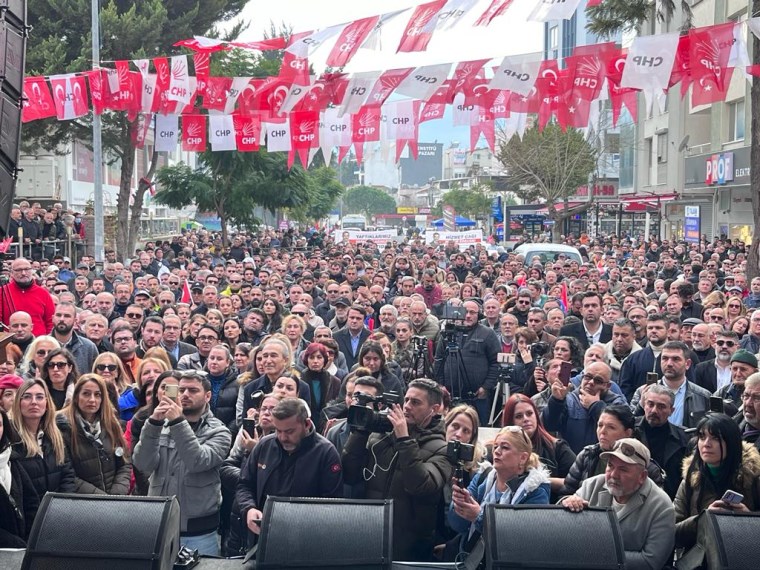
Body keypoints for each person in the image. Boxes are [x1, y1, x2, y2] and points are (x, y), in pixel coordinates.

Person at [343, 378, 454, 561]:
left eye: (416, 402)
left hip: (408, 545)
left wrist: (404, 440)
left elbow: (420, 486)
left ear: (433, 409)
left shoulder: (442, 449)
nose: (407, 406)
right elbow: (349, 474)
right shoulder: (381, 435)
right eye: (407, 400)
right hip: (369, 532)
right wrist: (361, 432)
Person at [133, 371, 232, 555]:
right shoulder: (160, 424)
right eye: (181, 390)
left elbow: (198, 461)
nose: (185, 394)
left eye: (193, 390)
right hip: (158, 524)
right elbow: (143, 464)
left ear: (208, 396)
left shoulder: (219, 431)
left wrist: (178, 422)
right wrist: (153, 423)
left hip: (198, 532)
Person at [560, 438, 676, 570]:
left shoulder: (662, 507)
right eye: (610, 465)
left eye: (623, 469)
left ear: (642, 477)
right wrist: (567, 505)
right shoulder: (591, 486)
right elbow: (563, 533)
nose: (614, 475)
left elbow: (650, 562)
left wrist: (596, 556)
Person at [236, 398, 343, 538]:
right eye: (278, 431)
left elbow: (332, 505)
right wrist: (249, 508)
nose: (282, 437)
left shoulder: (326, 452)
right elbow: (244, 484)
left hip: (306, 538)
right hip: (262, 534)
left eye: (289, 431)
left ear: (306, 424)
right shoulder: (265, 445)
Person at [448, 426, 550, 559]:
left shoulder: (535, 491)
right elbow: (457, 525)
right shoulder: (483, 476)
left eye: (505, 447)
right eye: (496, 446)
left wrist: (479, 518)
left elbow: (524, 539)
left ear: (523, 458)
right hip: (470, 561)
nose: (496, 451)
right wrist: (459, 503)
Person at [675, 414, 760, 551]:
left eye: (716, 438)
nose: (706, 444)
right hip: (701, 560)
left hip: (744, 556)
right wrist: (704, 520)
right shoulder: (690, 480)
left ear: (731, 442)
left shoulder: (754, 478)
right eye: (702, 437)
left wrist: (747, 518)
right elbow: (672, 532)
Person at [561, 405, 663, 496]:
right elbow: (566, 493)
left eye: (611, 427)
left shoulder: (647, 467)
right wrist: (573, 503)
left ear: (628, 433)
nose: (602, 431)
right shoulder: (587, 455)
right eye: (600, 425)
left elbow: (654, 504)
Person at [56, 374, 131, 495]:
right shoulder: (62, 427)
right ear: (76, 397)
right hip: (83, 504)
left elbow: (125, 463)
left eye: (97, 395)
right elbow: (67, 473)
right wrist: (100, 498)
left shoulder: (111, 424)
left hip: (114, 500)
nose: (92, 400)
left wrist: (117, 495)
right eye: (86, 394)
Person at [432, 299, 501, 425]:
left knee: (478, 428)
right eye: (465, 312)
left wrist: (486, 387)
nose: (468, 315)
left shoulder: (487, 333)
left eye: (472, 312)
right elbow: (438, 360)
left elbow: (496, 363)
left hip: (478, 395)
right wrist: (440, 385)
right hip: (450, 393)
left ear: (478, 314)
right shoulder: (448, 334)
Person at [10, 379, 76, 500]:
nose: (34, 402)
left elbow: (68, 475)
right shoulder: (11, 439)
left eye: (39, 397)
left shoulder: (55, 435)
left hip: (57, 511)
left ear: (47, 403)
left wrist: (64, 506)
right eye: (27, 397)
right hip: (28, 515)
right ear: (18, 403)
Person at [542, 361, 627, 454]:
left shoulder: (617, 402)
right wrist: (556, 400)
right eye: (588, 377)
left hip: (605, 460)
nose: (591, 382)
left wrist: (595, 406)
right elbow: (549, 425)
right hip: (572, 461)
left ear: (607, 386)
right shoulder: (569, 399)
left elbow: (623, 430)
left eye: (598, 380)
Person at [502, 394, 575, 499]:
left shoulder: (557, 447)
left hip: (550, 510)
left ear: (536, 416)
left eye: (529, 413)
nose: (526, 419)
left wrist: (541, 480)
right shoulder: (498, 450)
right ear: (510, 422)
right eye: (518, 416)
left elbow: (578, 482)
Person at [630, 342, 711, 430]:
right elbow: (631, 424)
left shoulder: (703, 396)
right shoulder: (643, 391)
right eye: (665, 358)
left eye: (675, 359)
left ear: (687, 364)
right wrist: (641, 406)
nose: (669, 363)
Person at [635, 384, 689, 499]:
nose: (654, 410)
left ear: (671, 410)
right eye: (650, 404)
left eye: (661, 407)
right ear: (644, 405)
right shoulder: (629, 430)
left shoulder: (684, 438)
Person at [0, 409, 39, 548]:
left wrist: (30, 538)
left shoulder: (11, 459)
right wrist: (15, 544)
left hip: (22, 547)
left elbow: (31, 502)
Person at [0, 258, 56, 336]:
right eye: (19, 270)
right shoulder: (2, 292)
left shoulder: (43, 293)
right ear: (11, 273)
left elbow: (51, 321)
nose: (23, 273)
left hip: (38, 343)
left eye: (26, 269)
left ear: (32, 271)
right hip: (10, 344)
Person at [299, 343, 340, 433]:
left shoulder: (334, 382)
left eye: (319, 357)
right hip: (304, 426)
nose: (315, 361)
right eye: (312, 357)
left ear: (324, 360)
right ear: (307, 360)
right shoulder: (299, 381)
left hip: (326, 427)